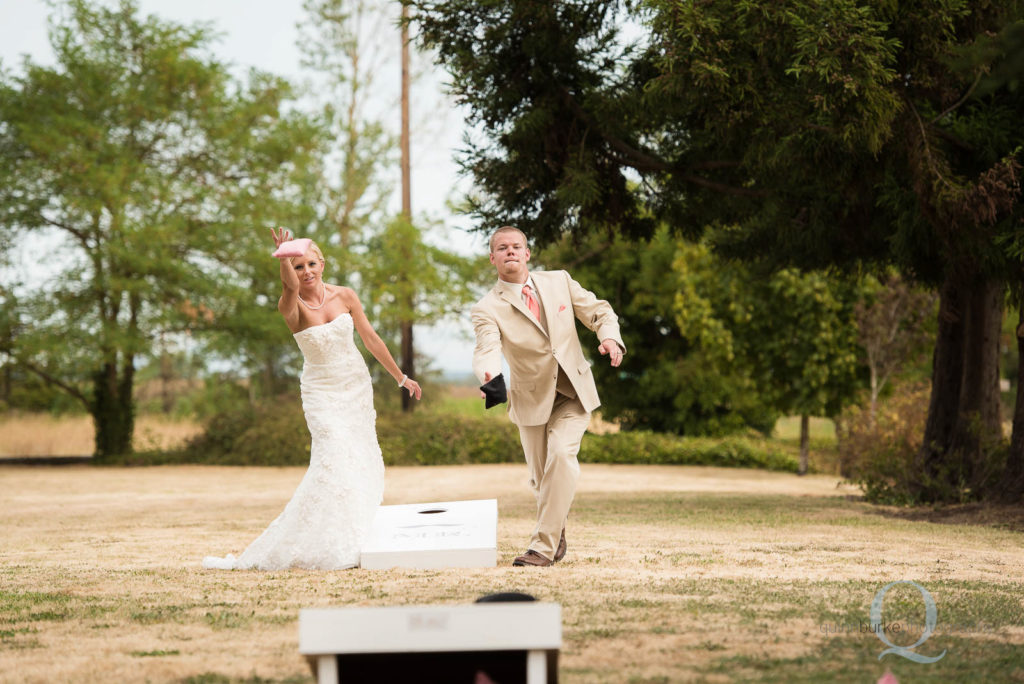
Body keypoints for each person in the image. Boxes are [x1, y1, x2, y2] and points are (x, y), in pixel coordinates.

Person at [203, 228, 421, 570]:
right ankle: (317, 542)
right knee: (332, 456)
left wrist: (401, 376)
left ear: (322, 264)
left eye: (311, 264)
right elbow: (289, 286)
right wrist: (283, 257)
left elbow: (371, 338)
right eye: (299, 266)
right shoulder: (290, 306)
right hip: (321, 392)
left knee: (357, 458)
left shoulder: (346, 296)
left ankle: (353, 533)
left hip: (355, 386)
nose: (306, 272)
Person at [471, 226, 624, 567]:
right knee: (541, 481)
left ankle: (541, 547)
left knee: (561, 454)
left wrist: (610, 337)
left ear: (527, 254)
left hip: (574, 391)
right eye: (502, 248)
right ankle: (556, 530)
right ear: (492, 258)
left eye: (516, 246)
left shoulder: (559, 281)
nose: (510, 251)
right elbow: (487, 347)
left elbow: (599, 310)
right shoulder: (486, 308)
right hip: (530, 399)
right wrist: (489, 374)